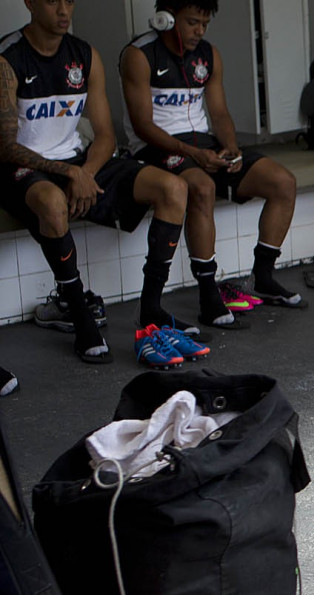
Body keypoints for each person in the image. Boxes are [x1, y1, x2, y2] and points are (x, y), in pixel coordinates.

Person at [0, 0, 191, 365]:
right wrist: (69, 174)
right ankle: (80, 316)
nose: (63, 10)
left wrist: (84, 172)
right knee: (53, 203)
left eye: (69, 1)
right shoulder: (8, 59)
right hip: (24, 166)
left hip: (77, 161)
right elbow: (6, 147)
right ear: (29, 3)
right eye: (52, 0)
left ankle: (151, 309)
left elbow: (104, 135)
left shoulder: (85, 55)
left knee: (173, 188)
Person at [120, 0, 305, 329]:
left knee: (282, 182)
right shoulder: (138, 55)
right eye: (192, 22)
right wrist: (192, 154)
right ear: (165, 18)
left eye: (205, 23)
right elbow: (142, 125)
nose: (199, 31)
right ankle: (208, 296)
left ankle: (263, 277)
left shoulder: (209, 54)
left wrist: (231, 148)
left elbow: (218, 113)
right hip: (156, 149)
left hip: (203, 146)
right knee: (202, 188)